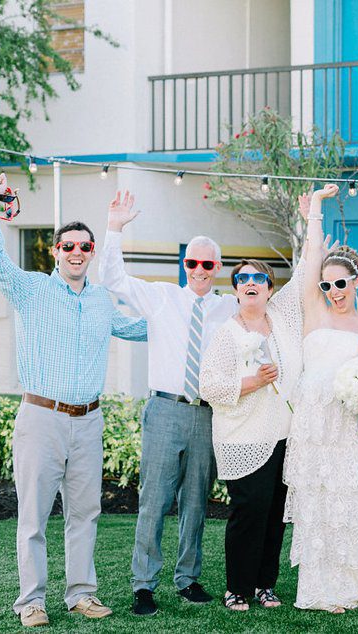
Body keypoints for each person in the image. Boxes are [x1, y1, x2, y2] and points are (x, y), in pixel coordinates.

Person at [0, 173, 147, 628]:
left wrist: (205, 317)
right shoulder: (31, 289)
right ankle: (31, 602)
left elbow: (143, 328)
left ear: (91, 253)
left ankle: (82, 594)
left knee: (85, 514)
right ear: (55, 251)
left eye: (83, 247)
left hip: (88, 421)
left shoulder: (102, 302)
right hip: (41, 420)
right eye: (67, 246)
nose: (75, 253)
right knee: (32, 518)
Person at [99, 191, 238, 615]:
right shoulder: (161, 298)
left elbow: (271, 308)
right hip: (164, 411)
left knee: (196, 502)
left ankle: (188, 579)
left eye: (207, 264)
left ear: (217, 269)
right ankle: (144, 585)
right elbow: (112, 279)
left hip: (207, 413)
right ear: (185, 265)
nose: (199, 270)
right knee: (154, 501)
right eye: (192, 263)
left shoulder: (229, 308)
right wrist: (114, 230)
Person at [282, 183, 358, 612]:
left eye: (341, 283)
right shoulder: (315, 310)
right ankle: (316, 591)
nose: (334, 290)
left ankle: (357, 584)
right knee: (317, 504)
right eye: (327, 284)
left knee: (347, 501)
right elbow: (309, 262)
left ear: (355, 280)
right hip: (311, 426)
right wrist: (316, 211)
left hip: (346, 428)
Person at [199, 255, 303, 611]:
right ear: (237, 290)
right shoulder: (227, 334)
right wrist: (252, 382)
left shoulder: (282, 322)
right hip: (243, 438)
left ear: (270, 288)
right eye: (242, 279)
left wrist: (315, 217)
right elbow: (208, 387)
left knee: (275, 512)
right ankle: (237, 588)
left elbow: (303, 274)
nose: (250, 283)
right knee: (249, 513)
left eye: (258, 278)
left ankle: (265, 585)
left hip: (283, 436)